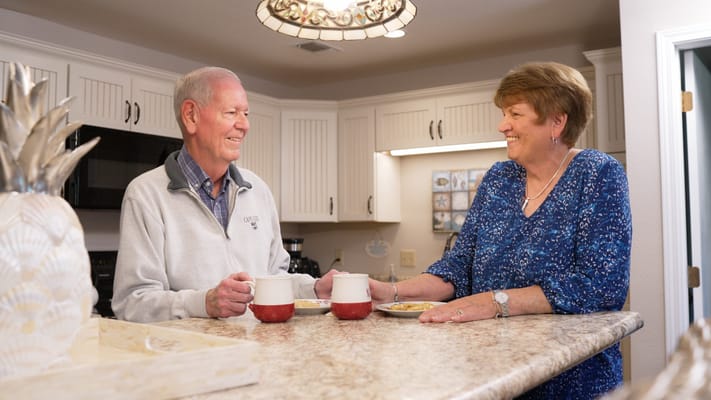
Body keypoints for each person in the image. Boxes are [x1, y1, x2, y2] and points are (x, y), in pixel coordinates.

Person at [370, 62, 632, 399]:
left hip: (572, 379)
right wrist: (391, 293)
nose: (502, 125)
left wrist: (496, 302)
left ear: (557, 120)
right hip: (494, 369)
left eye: (515, 114)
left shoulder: (597, 173)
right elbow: (459, 265)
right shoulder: (499, 178)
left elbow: (602, 285)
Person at [112, 66, 337, 323]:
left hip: (258, 355)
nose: (244, 125)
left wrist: (315, 289)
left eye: (246, 114)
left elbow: (274, 279)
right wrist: (203, 302)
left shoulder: (258, 190)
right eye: (232, 113)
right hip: (191, 360)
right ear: (191, 116)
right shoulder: (145, 195)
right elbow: (131, 303)